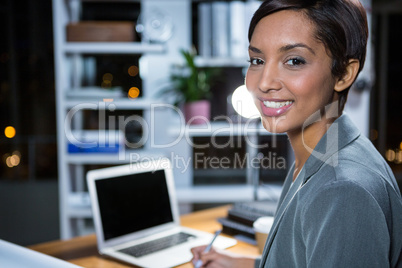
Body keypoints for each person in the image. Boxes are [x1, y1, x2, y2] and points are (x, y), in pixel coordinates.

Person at [191, 0, 402, 267]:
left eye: (294, 61)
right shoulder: (322, 153)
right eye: (257, 60)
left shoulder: (342, 190)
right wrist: (237, 263)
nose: (264, 83)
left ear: (345, 74)